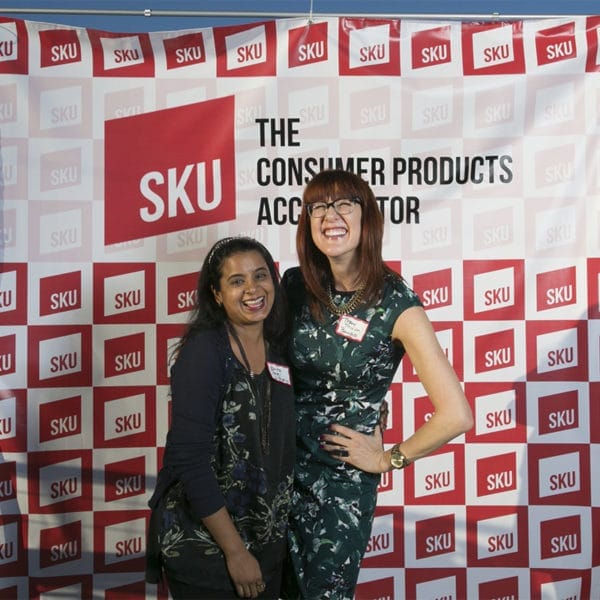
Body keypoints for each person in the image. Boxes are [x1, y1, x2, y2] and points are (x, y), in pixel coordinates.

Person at [281, 169, 473, 600]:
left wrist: (389, 458)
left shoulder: (396, 303)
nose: (330, 216)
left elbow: (456, 414)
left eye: (344, 204)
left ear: (367, 216)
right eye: (318, 206)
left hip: (339, 487)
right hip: (278, 469)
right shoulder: (294, 285)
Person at [146, 236, 295, 599]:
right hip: (207, 548)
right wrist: (235, 552)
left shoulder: (278, 351)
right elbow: (189, 459)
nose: (253, 289)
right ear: (216, 294)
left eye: (260, 275)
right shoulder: (204, 353)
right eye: (237, 281)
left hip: (265, 546)